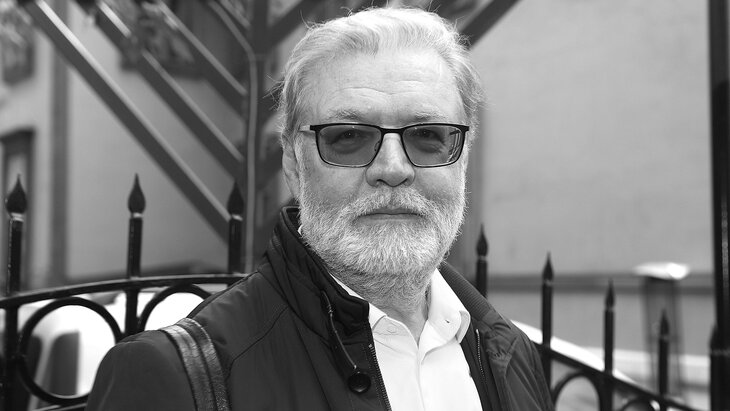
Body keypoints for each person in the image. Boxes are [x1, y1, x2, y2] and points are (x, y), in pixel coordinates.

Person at [87, 6, 553, 411]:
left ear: (462, 158)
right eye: (348, 137)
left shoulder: (511, 355)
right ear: (294, 164)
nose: (392, 168)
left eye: (428, 136)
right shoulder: (178, 377)